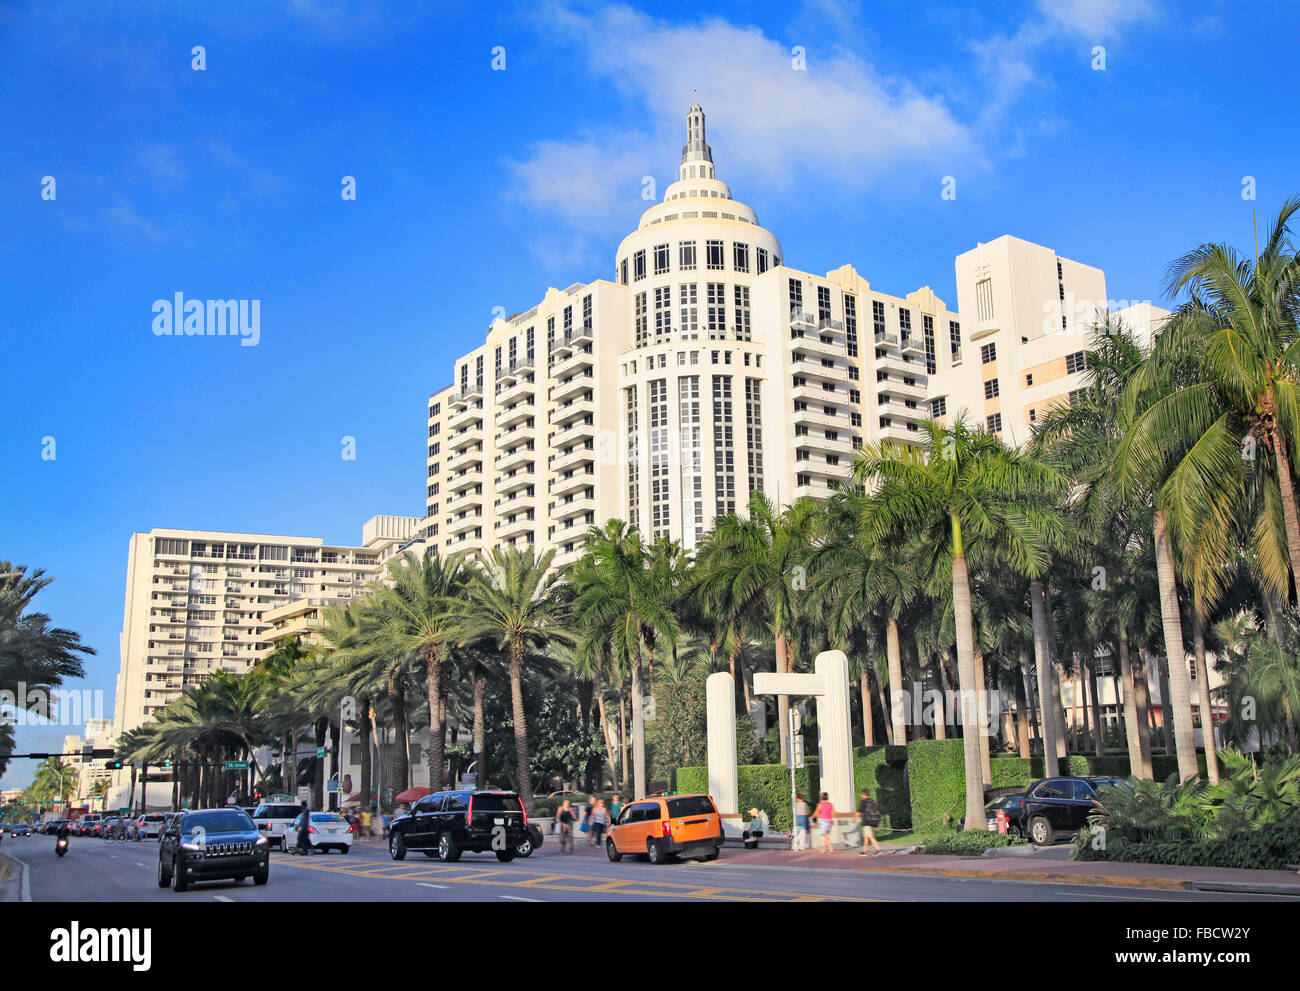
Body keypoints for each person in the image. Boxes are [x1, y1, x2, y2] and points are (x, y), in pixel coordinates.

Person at [855, 787, 883, 856]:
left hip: (866, 822)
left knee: (870, 836)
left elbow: (860, 811)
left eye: (862, 794)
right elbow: (876, 812)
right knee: (866, 837)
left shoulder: (863, 802)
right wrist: (877, 824)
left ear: (863, 794)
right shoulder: (872, 801)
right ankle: (864, 851)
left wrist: (854, 818)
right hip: (871, 821)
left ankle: (878, 850)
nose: (861, 795)